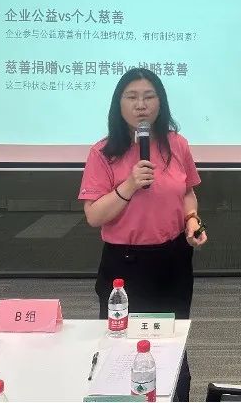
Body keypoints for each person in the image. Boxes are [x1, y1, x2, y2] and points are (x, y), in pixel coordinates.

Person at [79, 68, 207, 402]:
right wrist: (130, 184)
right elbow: (94, 216)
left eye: (149, 97)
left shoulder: (177, 145)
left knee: (171, 344)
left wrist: (191, 220)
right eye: (132, 97)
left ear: (160, 103)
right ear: (118, 104)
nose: (141, 105)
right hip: (125, 267)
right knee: (121, 351)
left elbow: (187, 192)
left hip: (174, 260)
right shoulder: (102, 152)